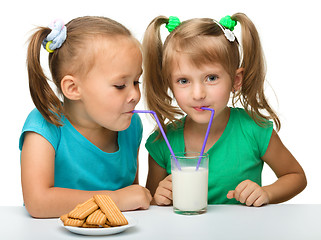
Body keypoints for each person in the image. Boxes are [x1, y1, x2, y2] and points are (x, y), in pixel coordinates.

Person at [143, 14, 307, 207]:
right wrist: (159, 197)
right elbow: (151, 202)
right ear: (169, 83)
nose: (198, 94)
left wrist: (266, 193)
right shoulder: (162, 141)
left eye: (211, 78)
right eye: (184, 81)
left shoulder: (254, 130)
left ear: (236, 80)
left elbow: (296, 177)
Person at [19, 16, 152, 218]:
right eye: (120, 85)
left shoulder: (132, 125)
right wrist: (114, 200)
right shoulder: (44, 125)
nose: (135, 95)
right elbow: (38, 203)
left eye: (136, 81)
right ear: (73, 88)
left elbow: (131, 198)